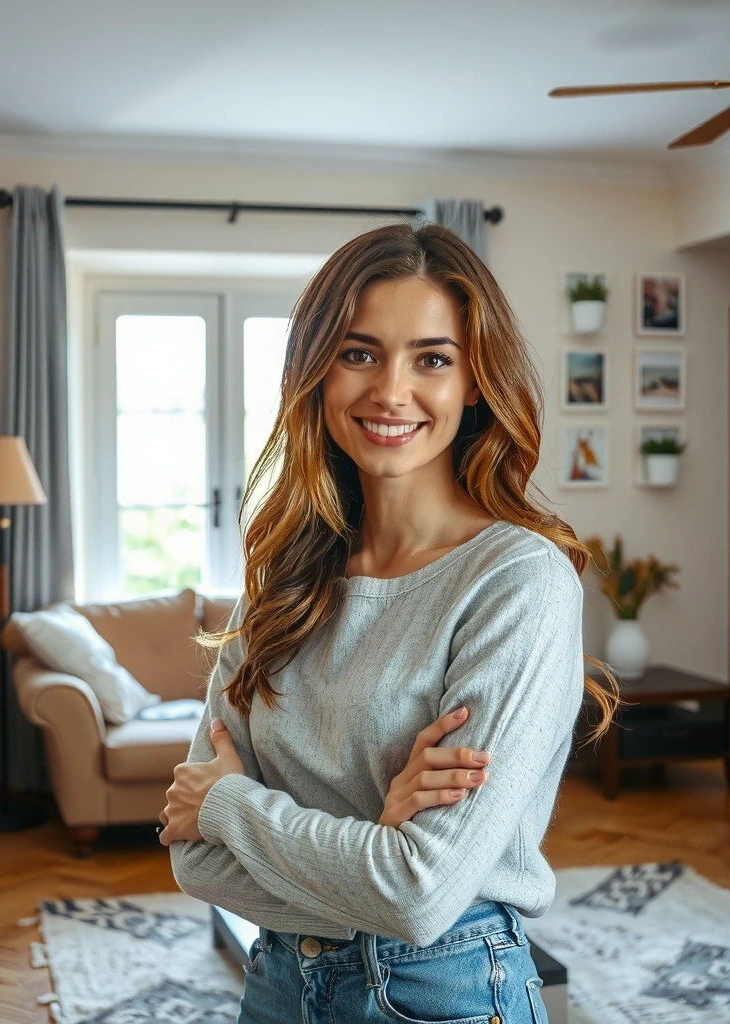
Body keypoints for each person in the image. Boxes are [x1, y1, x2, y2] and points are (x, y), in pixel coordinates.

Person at [159, 221, 620, 1024]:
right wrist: (377, 842)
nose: (391, 391)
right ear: (318, 370)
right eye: (359, 352)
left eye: (432, 358)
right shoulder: (282, 576)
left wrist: (237, 806)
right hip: (276, 986)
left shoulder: (517, 580)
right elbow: (196, 863)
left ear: (474, 379)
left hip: (444, 992)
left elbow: (417, 896)